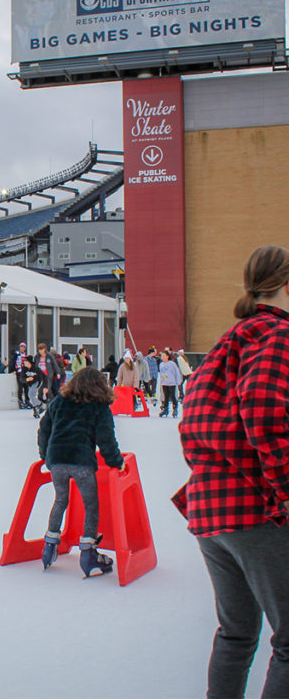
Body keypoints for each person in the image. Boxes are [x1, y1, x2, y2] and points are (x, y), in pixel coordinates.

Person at [173, 245, 289, 698]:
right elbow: (263, 414)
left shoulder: (230, 339)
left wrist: (211, 474)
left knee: (237, 633)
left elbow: (191, 422)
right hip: (256, 510)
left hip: (211, 510)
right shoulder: (277, 336)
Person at [38, 367, 125, 576]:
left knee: (60, 500)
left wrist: (46, 455)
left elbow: (44, 429)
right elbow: (106, 438)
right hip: (82, 462)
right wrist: (115, 461)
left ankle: (49, 547)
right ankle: (88, 553)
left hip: (57, 461)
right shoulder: (99, 406)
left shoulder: (59, 401)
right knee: (91, 505)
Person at [158, 350, 182, 418]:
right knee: (166, 396)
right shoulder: (161, 364)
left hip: (171, 383)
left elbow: (176, 372)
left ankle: (175, 408)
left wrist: (178, 381)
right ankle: (165, 409)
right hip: (164, 383)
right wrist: (161, 381)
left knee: (172, 396)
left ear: (167, 356)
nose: (162, 357)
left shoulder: (172, 364)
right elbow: (162, 373)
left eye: (164, 356)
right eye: (162, 356)